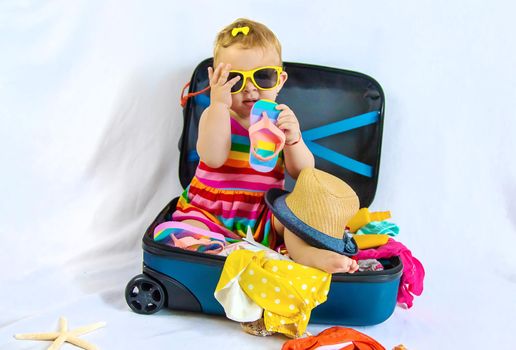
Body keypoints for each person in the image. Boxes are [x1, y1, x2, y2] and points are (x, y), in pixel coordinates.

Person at [172, 18, 358, 274]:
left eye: (263, 77)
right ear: (216, 81)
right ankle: (216, 254)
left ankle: (307, 254)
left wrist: (294, 140)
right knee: (189, 230)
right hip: (210, 210)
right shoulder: (217, 116)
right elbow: (213, 158)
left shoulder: (279, 120)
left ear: (280, 80)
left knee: (294, 223)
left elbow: (303, 174)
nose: (249, 88)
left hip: (262, 213)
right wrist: (217, 104)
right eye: (235, 80)